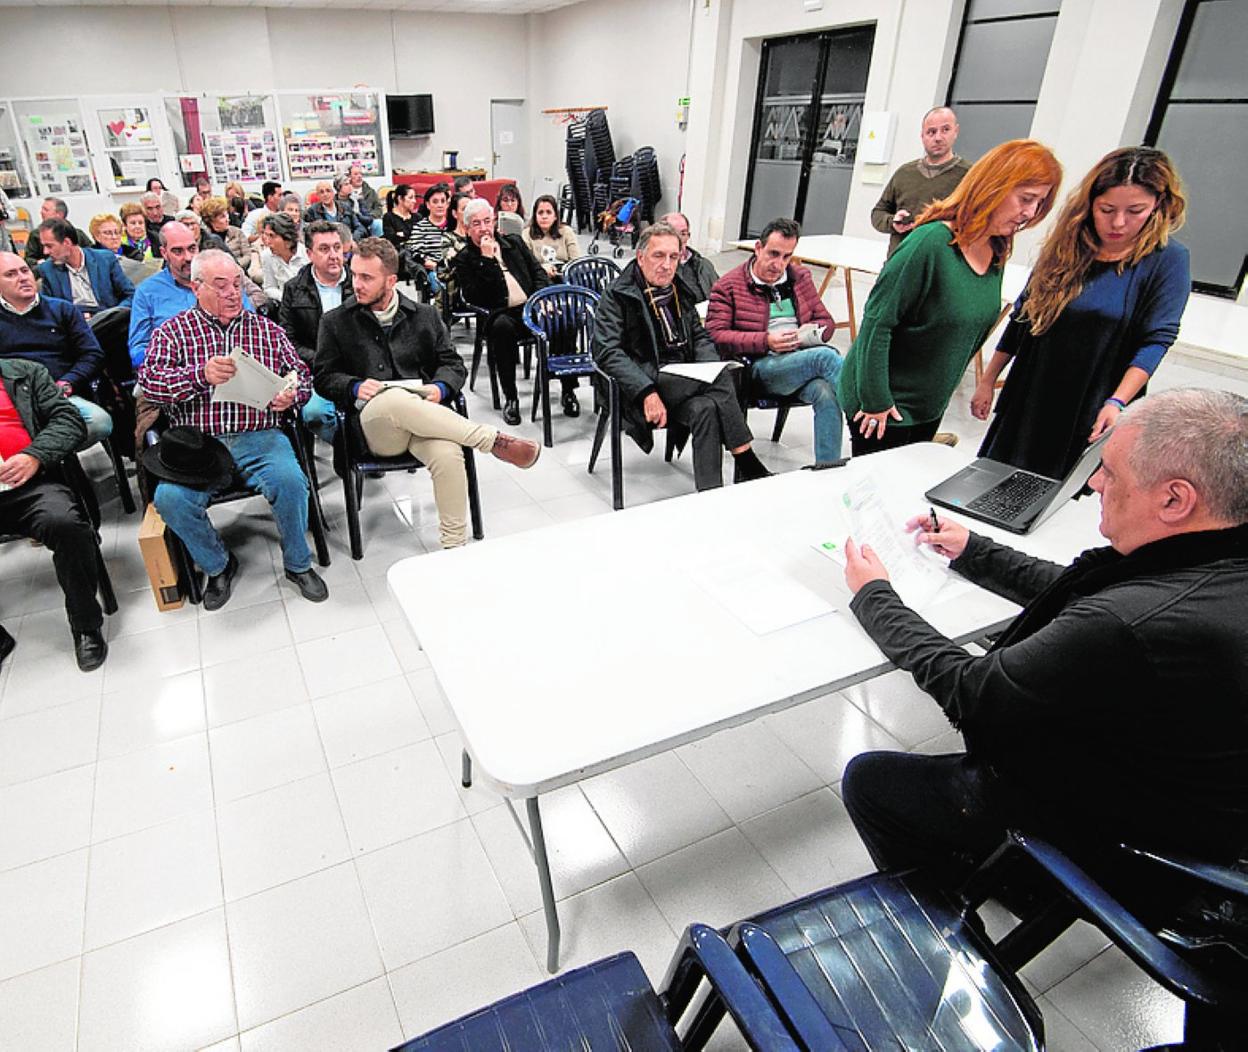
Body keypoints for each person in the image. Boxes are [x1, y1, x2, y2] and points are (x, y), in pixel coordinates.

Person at [839, 388, 1248, 919]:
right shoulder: (1211, 561)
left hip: (1129, 839)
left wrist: (874, 596)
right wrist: (975, 551)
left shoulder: (1128, 621)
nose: (1095, 485)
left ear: (1174, 499)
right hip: (1197, 804)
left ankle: (977, 906)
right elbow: (1082, 591)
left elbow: (974, 690)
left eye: (1111, 474)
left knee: (871, 783)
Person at [974, 148, 1191, 480]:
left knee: (1053, 496)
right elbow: (1023, 317)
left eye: (1135, 211)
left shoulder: (1167, 260)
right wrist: (988, 380)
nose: (1118, 223)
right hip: (1029, 396)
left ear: (1159, 206)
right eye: (1107, 210)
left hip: (1091, 403)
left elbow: (1156, 340)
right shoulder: (1068, 244)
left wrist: (1117, 403)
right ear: (1090, 204)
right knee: (994, 481)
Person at [837, 138, 1062, 456]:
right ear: (993, 186)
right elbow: (877, 321)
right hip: (884, 405)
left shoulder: (997, 247)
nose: (1030, 213)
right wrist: (876, 401)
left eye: (1039, 203)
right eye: (1026, 199)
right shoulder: (930, 242)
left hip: (927, 404)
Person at [315, 237, 542, 548]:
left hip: (424, 422)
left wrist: (440, 387)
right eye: (354, 274)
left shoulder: (424, 315)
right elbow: (324, 377)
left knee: (448, 455)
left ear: (391, 280)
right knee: (391, 398)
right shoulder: (336, 321)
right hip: (374, 429)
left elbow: (452, 364)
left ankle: (454, 547)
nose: (357, 284)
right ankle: (489, 439)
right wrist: (354, 385)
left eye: (366, 277)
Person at [139, 250, 327, 610]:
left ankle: (297, 563)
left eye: (237, 284)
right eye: (220, 285)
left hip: (259, 434)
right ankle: (219, 564)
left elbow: (301, 375)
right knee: (170, 500)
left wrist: (292, 395)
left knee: (290, 482)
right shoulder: (173, 332)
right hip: (199, 444)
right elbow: (151, 385)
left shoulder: (265, 330)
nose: (231, 293)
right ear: (197, 288)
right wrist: (199, 375)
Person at [591, 222, 771, 491]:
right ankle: (744, 456)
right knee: (722, 381)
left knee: (706, 407)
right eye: (658, 256)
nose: (667, 265)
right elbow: (608, 352)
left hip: (685, 379)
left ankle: (710, 495)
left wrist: (708, 367)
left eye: (673, 257)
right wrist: (646, 392)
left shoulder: (680, 289)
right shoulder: (617, 294)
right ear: (640, 257)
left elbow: (699, 336)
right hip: (642, 381)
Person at [705, 217, 845, 463]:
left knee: (825, 392)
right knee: (825, 357)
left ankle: (829, 466)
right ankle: (864, 418)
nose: (778, 264)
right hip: (760, 367)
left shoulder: (800, 278)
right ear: (758, 248)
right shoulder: (728, 286)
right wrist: (765, 340)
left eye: (786, 257)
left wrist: (811, 334)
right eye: (773, 254)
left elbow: (827, 321)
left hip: (800, 358)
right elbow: (716, 335)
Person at [0, 356, 108, 670]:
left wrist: (35, 455)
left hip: (31, 485)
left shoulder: (25, 373)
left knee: (66, 524)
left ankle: (86, 625)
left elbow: (68, 420)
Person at [452, 199, 566, 425]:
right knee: (501, 328)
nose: (484, 228)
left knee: (565, 319)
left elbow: (537, 272)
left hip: (531, 307)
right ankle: (511, 398)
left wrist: (541, 299)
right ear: (467, 228)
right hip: (500, 314)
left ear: (494, 221)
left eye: (487, 221)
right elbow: (476, 296)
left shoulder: (513, 243)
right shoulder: (465, 259)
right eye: (476, 223)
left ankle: (568, 389)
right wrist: (487, 260)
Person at [0, 251, 112, 445]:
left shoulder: (62, 309)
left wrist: (68, 383)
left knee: (99, 422)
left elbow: (92, 354)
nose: (23, 278)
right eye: (11, 274)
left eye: (25, 271)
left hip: (59, 394)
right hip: (13, 400)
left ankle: (48, 458)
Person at [129, 221, 255, 369]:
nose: (188, 257)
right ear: (164, 253)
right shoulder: (147, 292)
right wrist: (173, 359)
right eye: (178, 251)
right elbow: (138, 350)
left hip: (231, 369)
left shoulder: (224, 281)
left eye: (192, 248)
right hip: (178, 376)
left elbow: (251, 326)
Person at [279, 220, 353, 441]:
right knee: (314, 414)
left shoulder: (359, 282)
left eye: (337, 248)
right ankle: (348, 449)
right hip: (316, 370)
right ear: (310, 254)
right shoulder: (294, 289)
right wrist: (320, 359)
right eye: (324, 249)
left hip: (358, 368)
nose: (333, 255)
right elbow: (287, 341)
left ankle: (357, 448)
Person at [870, 106, 971, 259]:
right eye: (931, 132)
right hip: (900, 263)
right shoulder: (904, 173)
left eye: (945, 130)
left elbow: (980, 222)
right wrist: (893, 222)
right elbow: (878, 213)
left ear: (955, 131)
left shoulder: (970, 176)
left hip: (942, 267)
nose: (938, 137)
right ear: (922, 136)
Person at [36, 218, 135, 319]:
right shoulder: (48, 269)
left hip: (108, 320)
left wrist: (116, 315)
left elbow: (131, 295)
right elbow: (48, 310)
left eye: (49, 246)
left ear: (66, 242)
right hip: (74, 325)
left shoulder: (105, 260)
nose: (45, 252)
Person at [661, 212, 718, 302]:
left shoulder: (704, 265)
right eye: (673, 234)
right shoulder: (658, 269)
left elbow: (722, 294)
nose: (679, 239)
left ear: (688, 236)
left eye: (683, 234)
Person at [522, 194, 580, 278]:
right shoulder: (526, 234)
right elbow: (526, 265)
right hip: (538, 278)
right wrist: (542, 268)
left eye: (549, 212)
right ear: (535, 216)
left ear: (555, 216)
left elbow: (576, 262)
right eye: (540, 213)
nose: (544, 216)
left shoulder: (567, 232)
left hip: (564, 277)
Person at [24, 198, 91, 266]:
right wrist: (40, 263)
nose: (41, 212)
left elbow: (90, 253)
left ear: (59, 214)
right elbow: (28, 259)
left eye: (46, 210)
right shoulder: (36, 235)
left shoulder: (78, 234)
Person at [199, 195, 254, 273]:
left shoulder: (237, 232)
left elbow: (247, 256)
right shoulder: (205, 238)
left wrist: (234, 266)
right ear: (211, 221)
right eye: (222, 217)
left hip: (239, 271)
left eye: (227, 214)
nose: (228, 219)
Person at [260, 213, 308, 300]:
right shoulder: (266, 256)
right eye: (266, 235)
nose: (267, 242)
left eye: (272, 236)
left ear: (288, 240)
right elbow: (269, 287)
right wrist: (285, 298)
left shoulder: (307, 254)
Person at [381, 185, 420, 263]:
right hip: (399, 256)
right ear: (400, 199)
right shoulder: (389, 217)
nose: (414, 201)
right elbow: (392, 239)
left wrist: (403, 234)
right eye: (410, 198)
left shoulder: (417, 217)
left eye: (414, 198)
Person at [345, 163, 383, 235]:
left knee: (379, 223)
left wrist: (370, 216)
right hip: (353, 221)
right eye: (356, 174)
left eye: (360, 174)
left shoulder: (370, 191)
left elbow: (378, 208)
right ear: (349, 177)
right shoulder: (345, 192)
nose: (359, 176)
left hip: (369, 220)